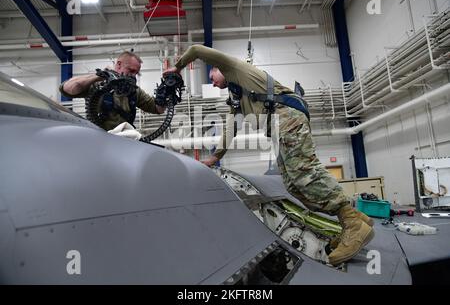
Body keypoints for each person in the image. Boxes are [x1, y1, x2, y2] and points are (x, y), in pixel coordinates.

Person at [164, 44, 375, 266]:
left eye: (212, 74)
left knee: (304, 173)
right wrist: (215, 157)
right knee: (293, 184)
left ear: (220, 68)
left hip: (286, 117)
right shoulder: (236, 95)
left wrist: (177, 68)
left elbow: (196, 49)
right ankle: (353, 219)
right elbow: (230, 128)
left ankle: (352, 224)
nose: (212, 81)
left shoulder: (234, 68)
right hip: (278, 126)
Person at [60, 51, 166, 131]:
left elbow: (158, 109)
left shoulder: (134, 91)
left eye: (136, 73)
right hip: (98, 139)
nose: (133, 76)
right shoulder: (98, 85)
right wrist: (99, 77)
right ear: (119, 64)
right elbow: (67, 89)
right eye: (131, 70)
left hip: (123, 140)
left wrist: (165, 93)